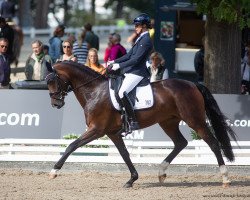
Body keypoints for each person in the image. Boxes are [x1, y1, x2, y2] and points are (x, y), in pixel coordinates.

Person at [108, 13, 153, 135]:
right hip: (132, 70)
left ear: (144, 26)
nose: (135, 27)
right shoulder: (140, 38)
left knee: (122, 92)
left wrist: (119, 66)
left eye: (137, 25)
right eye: (135, 25)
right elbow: (128, 56)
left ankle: (133, 121)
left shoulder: (146, 40)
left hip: (138, 72)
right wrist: (114, 61)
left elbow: (136, 59)